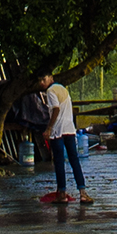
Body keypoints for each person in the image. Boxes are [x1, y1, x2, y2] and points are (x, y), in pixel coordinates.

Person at [36, 74, 88, 203]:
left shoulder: (50, 91)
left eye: (44, 79)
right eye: (40, 81)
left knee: (59, 161)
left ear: (51, 78)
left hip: (57, 131)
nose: (42, 83)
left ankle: (62, 193)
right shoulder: (63, 89)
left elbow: (56, 109)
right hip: (69, 129)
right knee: (74, 160)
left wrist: (49, 128)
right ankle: (83, 193)